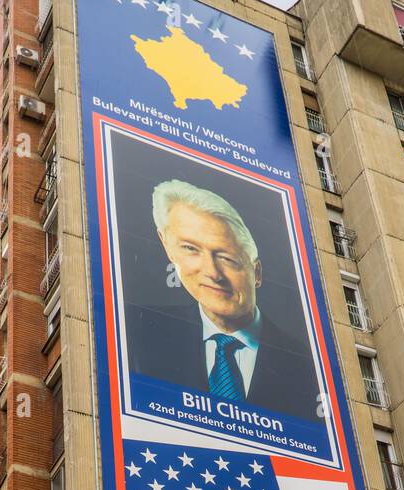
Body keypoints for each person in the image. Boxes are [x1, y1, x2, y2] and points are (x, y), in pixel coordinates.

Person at [127, 178, 320, 419]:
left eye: (227, 258)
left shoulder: (310, 367)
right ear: (167, 245)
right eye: (190, 248)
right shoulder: (134, 331)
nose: (212, 273)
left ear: (256, 272)